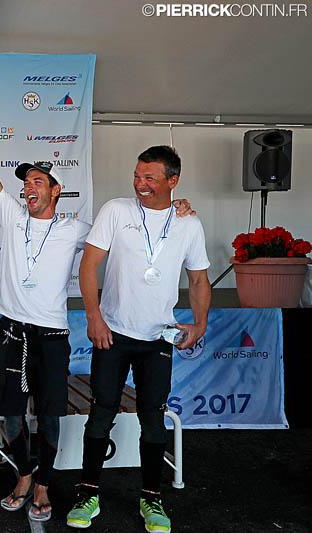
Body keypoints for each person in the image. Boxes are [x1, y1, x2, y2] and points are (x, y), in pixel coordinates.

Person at [0, 102, 90, 522]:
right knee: (11, 414)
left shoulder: (75, 229)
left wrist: (174, 211)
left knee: (49, 415)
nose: (29, 187)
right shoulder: (12, 216)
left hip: (51, 337)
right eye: (26, 182)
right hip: (11, 332)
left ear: (55, 191)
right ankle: (25, 474)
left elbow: (122, 238)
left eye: (38, 181)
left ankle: (45, 484)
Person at [67, 145, 211, 533]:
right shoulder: (116, 211)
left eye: (149, 178)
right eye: (137, 175)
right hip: (111, 333)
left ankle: (152, 499)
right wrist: (93, 317)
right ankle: (88, 492)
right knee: (101, 414)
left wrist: (200, 324)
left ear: (172, 181)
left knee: (153, 421)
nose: (140, 184)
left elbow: (198, 278)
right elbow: (89, 264)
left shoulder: (188, 223)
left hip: (157, 339)